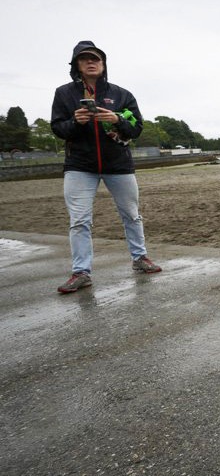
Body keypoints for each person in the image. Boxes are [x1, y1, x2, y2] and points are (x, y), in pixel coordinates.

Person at [51, 40, 161, 294]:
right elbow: (57, 128)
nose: (91, 62)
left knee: (132, 214)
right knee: (79, 220)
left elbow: (136, 129)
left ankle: (140, 258)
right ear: (76, 64)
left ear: (103, 64)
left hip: (118, 164)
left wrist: (117, 119)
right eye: (85, 58)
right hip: (79, 165)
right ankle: (81, 272)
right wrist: (75, 122)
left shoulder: (122, 94)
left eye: (96, 58)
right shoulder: (64, 93)